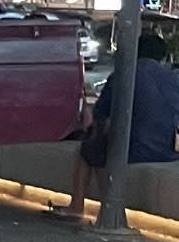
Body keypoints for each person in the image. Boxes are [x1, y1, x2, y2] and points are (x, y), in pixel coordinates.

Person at [66, 31, 179, 220]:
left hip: (136, 149)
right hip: (169, 150)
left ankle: (82, 206)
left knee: (91, 148)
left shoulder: (123, 75)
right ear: (162, 56)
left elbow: (99, 115)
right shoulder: (173, 78)